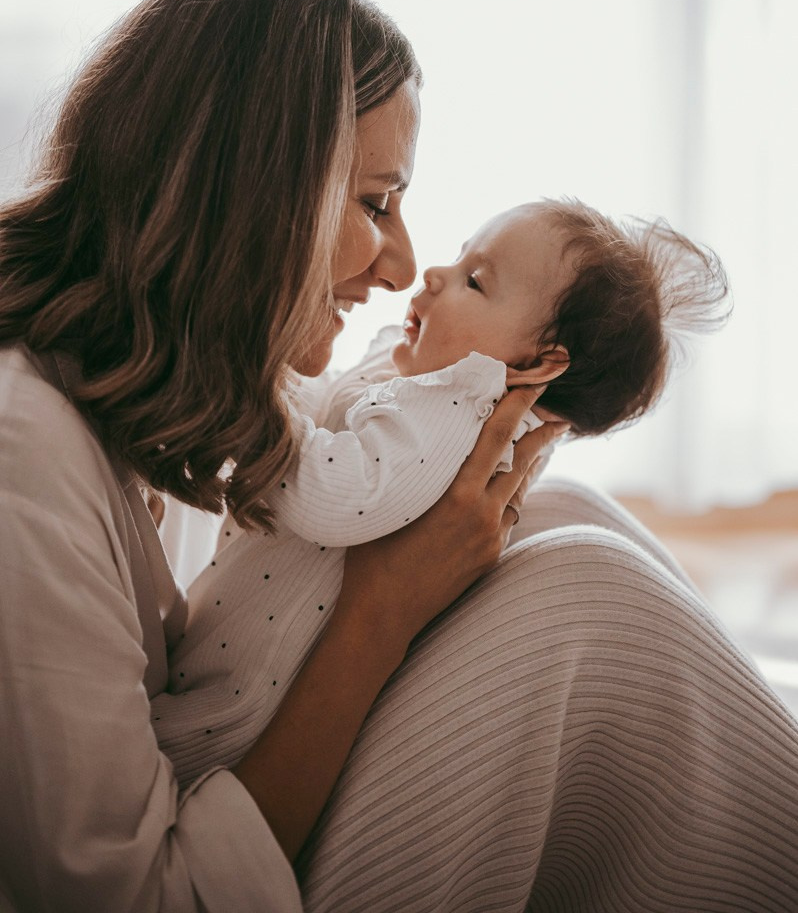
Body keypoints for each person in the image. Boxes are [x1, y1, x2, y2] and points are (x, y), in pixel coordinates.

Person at [0, 0, 794, 913]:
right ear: (253, 193)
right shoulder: (24, 456)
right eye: (376, 203)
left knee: (561, 510)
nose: (404, 266)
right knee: (590, 593)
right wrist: (383, 612)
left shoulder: (131, 375)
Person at [154, 198, 730, 789]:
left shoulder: (456, 412)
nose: (434, 274)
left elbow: (334, 494)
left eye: (474, 282)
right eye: (459, 259)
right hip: (215, 669)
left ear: (537, 365)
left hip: (231, 715)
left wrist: (251, 390)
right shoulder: (434, 386)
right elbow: (329, 404)